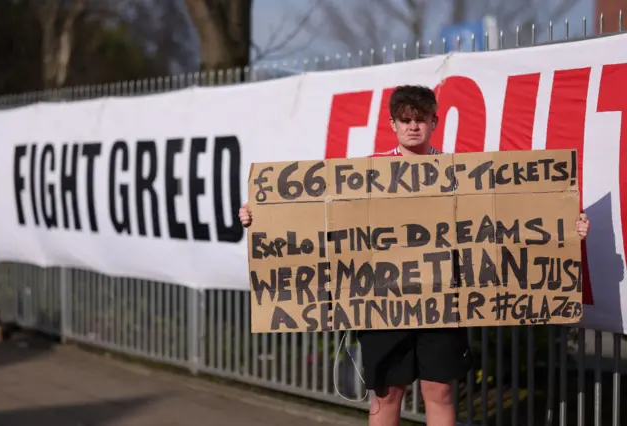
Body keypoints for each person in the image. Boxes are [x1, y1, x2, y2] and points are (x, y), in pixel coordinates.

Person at [238, 85, 591, 426]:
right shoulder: (366, 172)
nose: (412, 126)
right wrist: (259, 218)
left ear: (433, 123)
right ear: (393, 125)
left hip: (444, 302)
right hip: (381, 302)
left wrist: (564, 228)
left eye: (419, 119)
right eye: (404, 119)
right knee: (386, 394)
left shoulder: (458, 172)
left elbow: (506, 219)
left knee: (439, 392)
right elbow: (317, 217)